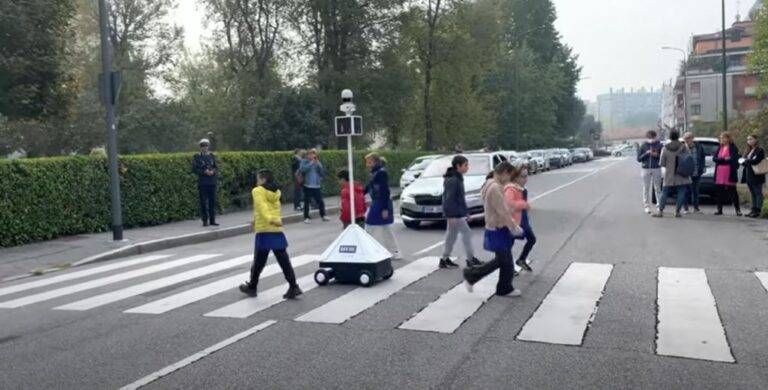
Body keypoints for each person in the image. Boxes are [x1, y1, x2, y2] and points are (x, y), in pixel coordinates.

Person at [462, 162, 524, 297]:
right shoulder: (495, 188)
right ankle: (500, 287)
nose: (509, 180)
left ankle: (500, 286)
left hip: (494, 228)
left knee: (502, 261)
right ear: (504, 173)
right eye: (509, 176)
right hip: (498, 229)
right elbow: (502, 211)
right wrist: (514, 227)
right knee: (506, 263)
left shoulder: (489, 184)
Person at [239, 169, 302, 299]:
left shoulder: (257, 191)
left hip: (264, 231)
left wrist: (269, 219)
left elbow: (262, 207)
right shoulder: (276, 192)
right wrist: (259, 221)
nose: (257, 181)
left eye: (258, 179)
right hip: (276, 230)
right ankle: (294, 286)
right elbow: (272, 209)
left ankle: (252, 286)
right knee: (284, 261)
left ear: (263, 179)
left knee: (258, 262)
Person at [439, 155, 482, 269]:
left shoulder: (457, 177)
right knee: (466, 233)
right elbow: (448, 199)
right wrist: (450, 216)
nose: (467, 167)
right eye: (465, 165)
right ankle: (470, 259)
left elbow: (460, 198)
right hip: (454, 214)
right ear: (458, 166)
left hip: (457, 213)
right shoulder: (453, 179)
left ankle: (444, 259)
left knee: (451, 236)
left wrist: (466, 212)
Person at [364, 153, 402, 260]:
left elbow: (385, 190)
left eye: (369, 162)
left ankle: (373, 252)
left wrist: (385, 208)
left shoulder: (381, 173)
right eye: (367, 162)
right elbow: (368, 186)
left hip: (380, 203)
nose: (367, 164)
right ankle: (395, 252)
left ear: (375, 162)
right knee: (385, 229)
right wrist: (359, 193)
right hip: (378, 202)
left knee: (370, 227)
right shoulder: (375, 172)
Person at [653, 130, 691, 218]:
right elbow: (689, 158)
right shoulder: (684, 147)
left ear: (670, 137)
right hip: (682, 173)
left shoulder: (665, 148)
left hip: (669, 174)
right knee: (681, 192)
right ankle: (677, 212)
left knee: (664, 192)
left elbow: (661, 163)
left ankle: (660, 211)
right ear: (678, 136)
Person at [505, 166, 535, 272]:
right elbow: (509, 204)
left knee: (532, 239)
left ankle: (521, 259)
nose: (526, 179)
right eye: (523, 176)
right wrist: (524, 204)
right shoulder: (510, 188)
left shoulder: (522, 188)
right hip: (514, 220)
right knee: (509, 244)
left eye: (527, 176)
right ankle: (508, 268)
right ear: (516, 177)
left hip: (523, 219)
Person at [712, 132, 742, 216]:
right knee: (719, 192)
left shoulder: (733, 147)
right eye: (721, 138)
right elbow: (714, 158)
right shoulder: (720, 147)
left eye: (724, 138)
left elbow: (732, 159)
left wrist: (721, 159)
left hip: (729, 172)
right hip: (719, 172)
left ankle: (738, 210)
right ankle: (719, 209)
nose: (722, 139)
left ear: (728, 138)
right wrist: (724, 159)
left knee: (733, 191)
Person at [192, 138, 219, 227]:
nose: (205, 147)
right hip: (203, 183)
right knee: (203, 202)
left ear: (208, 146)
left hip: (212, 182)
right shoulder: (197, 157)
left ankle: (212, 220)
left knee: (212, 202)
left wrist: (213, 172)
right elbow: (195, 169)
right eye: (203, 146)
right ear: (200, 147)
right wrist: (204, 172)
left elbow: (216, 167)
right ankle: (205, 220)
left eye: (206, 146)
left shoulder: (212, 156)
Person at [637, 130, 663, 214]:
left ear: (655, 137)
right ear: (647, 137)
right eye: (649, 137)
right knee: (646, 188)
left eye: (653, 137)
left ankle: (659, 206)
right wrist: (646, 153)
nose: (651, 139)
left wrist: (657, 155)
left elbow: (663, 158)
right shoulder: (643, 145)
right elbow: (638, 159)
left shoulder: (660, 145)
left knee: (657, 188)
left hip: (656, 168)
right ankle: (647, 206)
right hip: (646, 168)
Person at [300, 148, 329, 223]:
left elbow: (321, 172)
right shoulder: (304, 161)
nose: (312, 155)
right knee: (307, 202)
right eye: (310, 154)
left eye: (313, 154)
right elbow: (302, 170)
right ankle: (306, 217)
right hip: (307, 185)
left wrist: (318, 163)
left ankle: (323, 215)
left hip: (316, 185)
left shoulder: (317, 162)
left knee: (320, 201)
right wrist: (311, 163)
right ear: (307, 155)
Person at [741, 134, 766, 218]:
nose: (749, 141)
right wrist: (743, 161)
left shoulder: (760, 150)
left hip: (757, 175)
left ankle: (758, 210)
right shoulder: (748, 150)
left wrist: (747, 160)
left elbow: (756, 161)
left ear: (756, 140)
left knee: (758, 192)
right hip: (749, 174)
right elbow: (745, 161)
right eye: (748, 139)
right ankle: (753, 209)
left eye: (751, 139)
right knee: (752, 193)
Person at [682, 132, 706, 213]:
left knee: (695, 191)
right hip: (686, 174)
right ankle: (686, 208)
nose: (687, 140)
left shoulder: (699, 147)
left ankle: (696, 208)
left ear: (692, 138)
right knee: (686, 191)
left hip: (696, 172)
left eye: (689, 138)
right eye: (685, 139)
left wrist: (702, 167)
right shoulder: (682, 148)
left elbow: (703, 157)